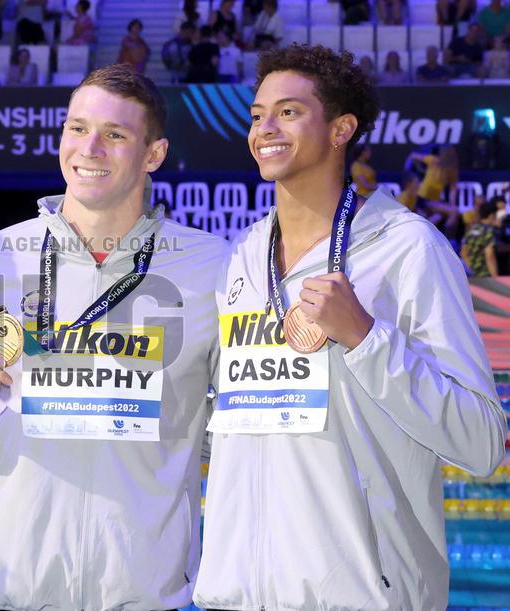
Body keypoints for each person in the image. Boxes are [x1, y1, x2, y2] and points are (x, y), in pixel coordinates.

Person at [194, 44, 506, 611]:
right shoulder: (239, 256)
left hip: (362, 595)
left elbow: (482, 443)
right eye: (258, 115)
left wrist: (366, 337)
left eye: (289, 112)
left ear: (341, 129)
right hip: (237, 595)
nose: (266, 127)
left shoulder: (409, 249)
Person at [0, 63, 228, 610]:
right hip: (12, 591)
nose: (90, 148)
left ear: (153, 155)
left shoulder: (213, 268)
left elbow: (228, 437)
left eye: (115, 135)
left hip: (144, 594)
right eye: (77, 128)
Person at [462, 198, 502, 277]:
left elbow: (463, 253)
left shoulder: (471, 230)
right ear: (491, 215)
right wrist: (496, 278)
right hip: (487, 276)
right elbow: (490, 255)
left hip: (473, 277)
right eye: (496, 215)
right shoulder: (488, 232)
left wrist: (473, 271)